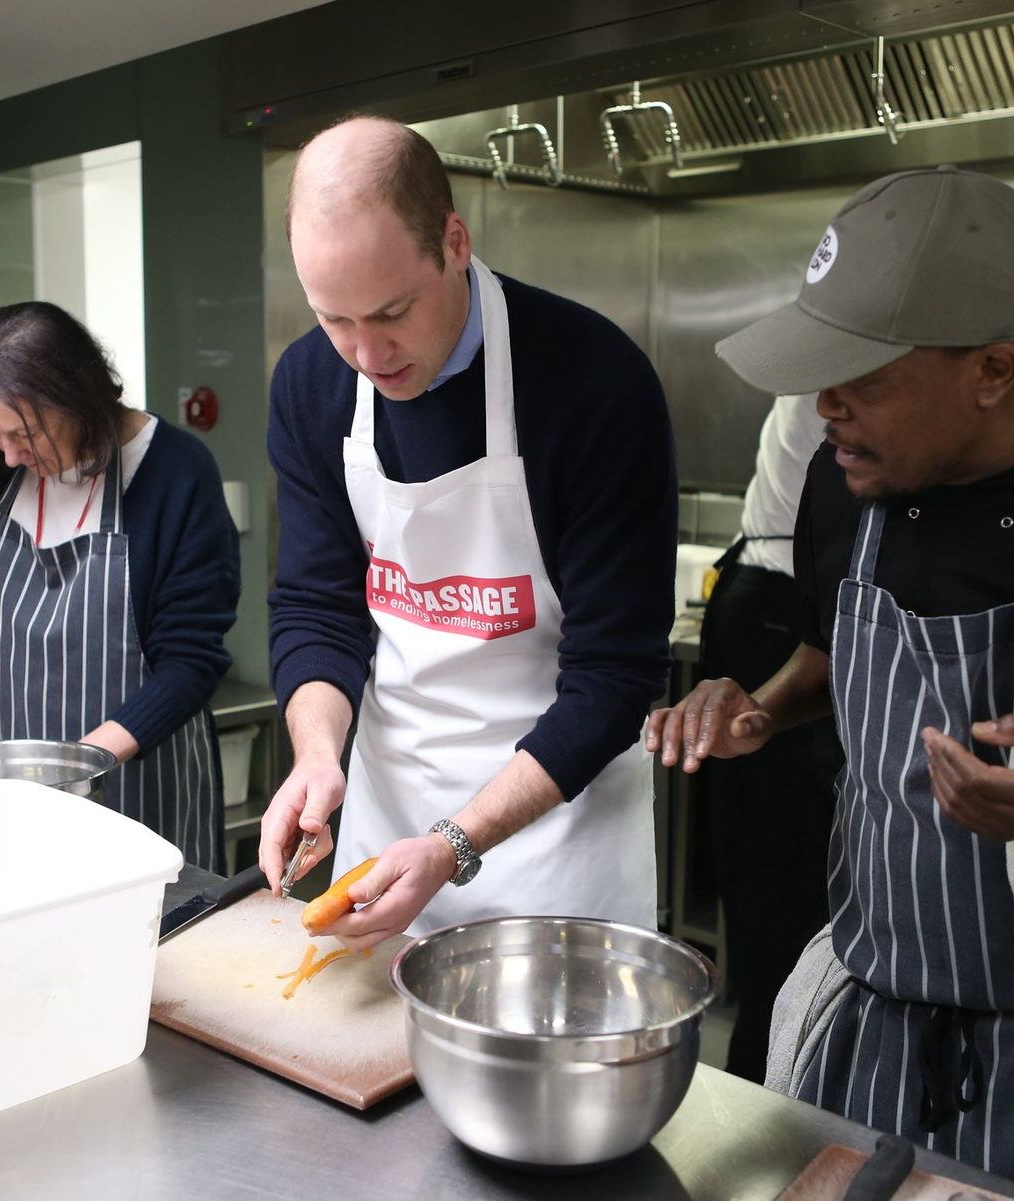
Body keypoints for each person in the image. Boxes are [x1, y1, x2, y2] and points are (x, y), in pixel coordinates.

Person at [646, 164, 1014, 1175]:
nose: (824, 407)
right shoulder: (841, 487)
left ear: (993, 370)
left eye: (866, 378)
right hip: (872, 1015)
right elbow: (828, 649)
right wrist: (761, 706)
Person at [260, 115, 676, 947]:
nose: (366, 355)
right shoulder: (312, 382)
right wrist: (314, 755)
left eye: (392, 312)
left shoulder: (593, 382)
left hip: (559, 841)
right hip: (388, 825)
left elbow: (614, 676)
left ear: (454, 240)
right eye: (334, 319)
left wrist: (454, 845)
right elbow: (316, 604)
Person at [0, 301, 240, 872]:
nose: (10, 453)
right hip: (13, 808)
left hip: (143, 804)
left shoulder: (176, 474)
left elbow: (189, 663)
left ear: (80, 398)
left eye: (23, 433)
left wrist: (72, 771)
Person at [700, 393, 843, 1083]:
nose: (834, 406)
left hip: (768, 598)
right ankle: (769, 1090)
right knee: (781, 892)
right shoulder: (853, 384)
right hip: (777, 606)